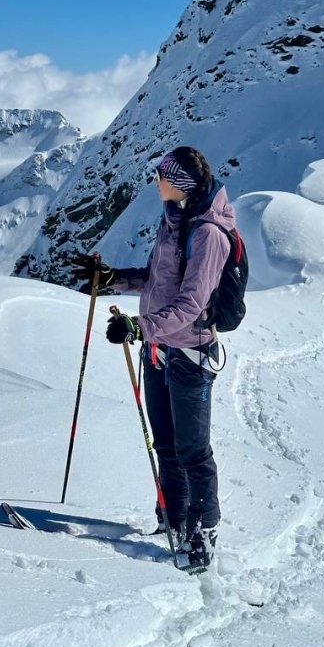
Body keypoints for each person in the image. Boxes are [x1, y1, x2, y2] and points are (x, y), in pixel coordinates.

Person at [70, 146, 235, 572]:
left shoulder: (209, 235)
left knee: (192, 451)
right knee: (165, 444)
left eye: (163, 175)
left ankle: (203, 535)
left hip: (190, 354)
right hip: (159, 350)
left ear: (180, 184)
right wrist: (111, 279)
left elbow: (191, 304)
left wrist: (139, 327)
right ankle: (174, 521)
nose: (156, 181)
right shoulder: (173, 220)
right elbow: (154, 280)